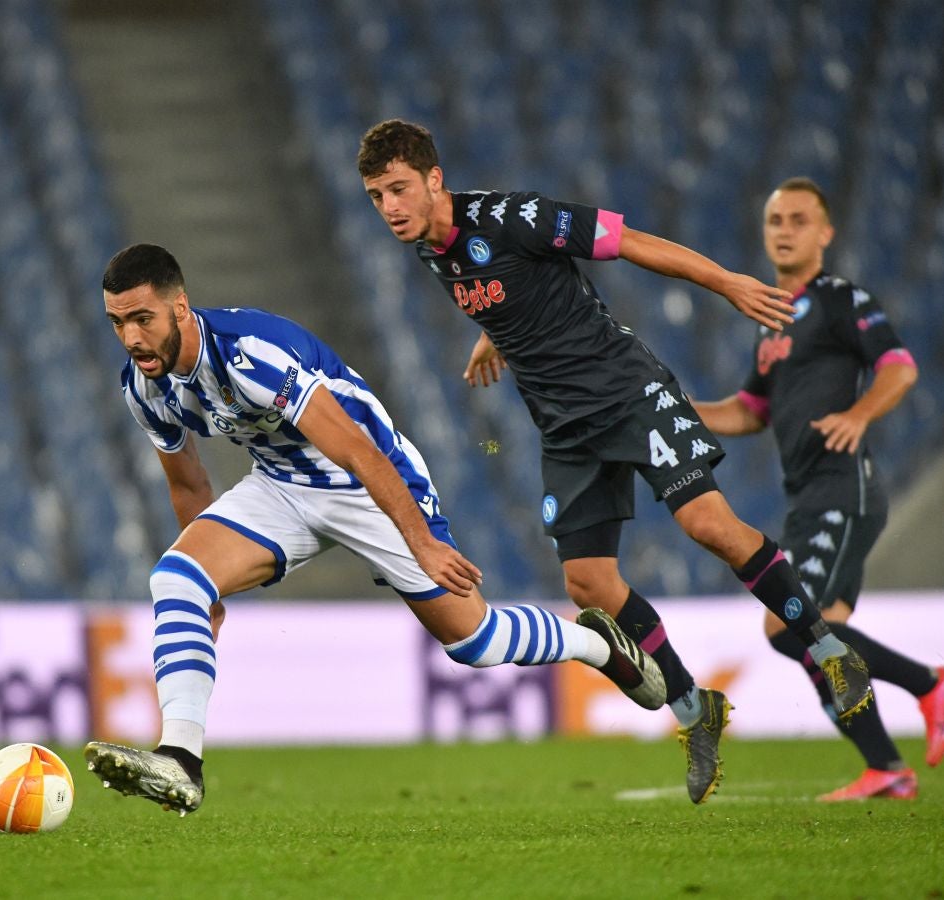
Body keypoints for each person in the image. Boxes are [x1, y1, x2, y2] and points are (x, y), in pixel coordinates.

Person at [357, 119, 874, 805]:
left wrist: (726, 284)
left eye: (398, 189)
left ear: (433, 180)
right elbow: (508, 291)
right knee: (589, 584)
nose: (389, 207)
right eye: (374, 196)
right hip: (564, 428)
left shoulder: (518, 217)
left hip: (628, 393)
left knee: (709, 526)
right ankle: (696, 710)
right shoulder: (428, 248)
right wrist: (494, 336)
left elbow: (627, 242)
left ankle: (831, 651)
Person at [82, 243, 666, 815]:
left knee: (475, 642)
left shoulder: (249, 354)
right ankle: (180, 758)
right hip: (282, 486)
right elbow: (188, 486)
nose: (131, 338)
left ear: (179, 307)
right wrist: (209, 586)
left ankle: (595, 643)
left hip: (368, 481)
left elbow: (358, 450)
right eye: (117, 323)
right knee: (177, 579)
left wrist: (421, 542)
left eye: (142, 319)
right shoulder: (143, 387)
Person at [693, 177, 944, 801]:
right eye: (776, 219)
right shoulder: (771, 319)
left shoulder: (839, 299)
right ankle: (886, 768)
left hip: (843, 489)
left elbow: (900, 366)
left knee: (788, 627)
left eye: (799, 220)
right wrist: (672, 409)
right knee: (819, 645)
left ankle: (931, 684)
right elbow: (751, 409)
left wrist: (859, 415)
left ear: (825, 234)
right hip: (809, 494)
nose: (785, 230)